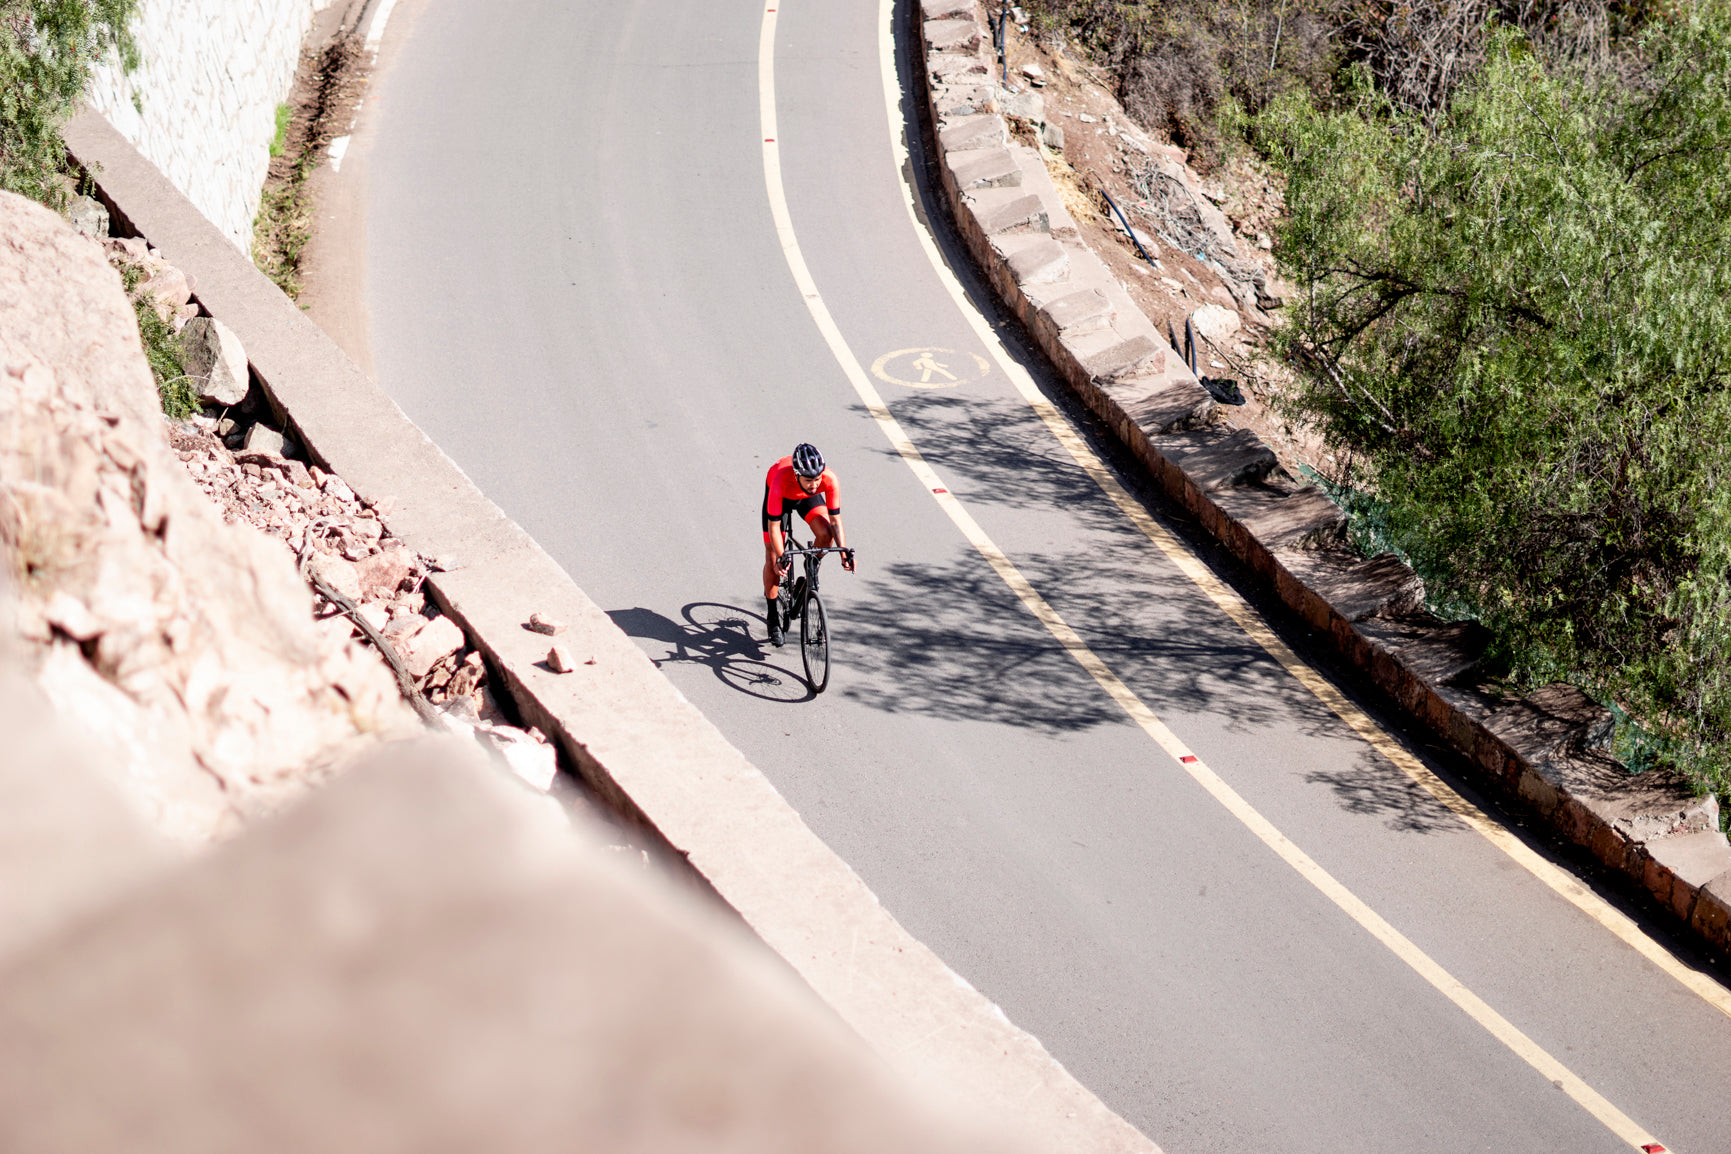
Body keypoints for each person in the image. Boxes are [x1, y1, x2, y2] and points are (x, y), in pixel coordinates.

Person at [762, 442, 852, 645]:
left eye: (817, 479)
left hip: (805, 499)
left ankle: (810, 564)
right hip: (781, 498)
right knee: (773, 557)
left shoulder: (829, 479)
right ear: (796, 475)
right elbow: (774, 527)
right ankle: (773, 617)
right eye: (809, 480)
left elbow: (835, 520)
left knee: (826, 533)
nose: (814, 484)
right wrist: (781, 555)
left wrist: (843, 552)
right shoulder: (780, 480)